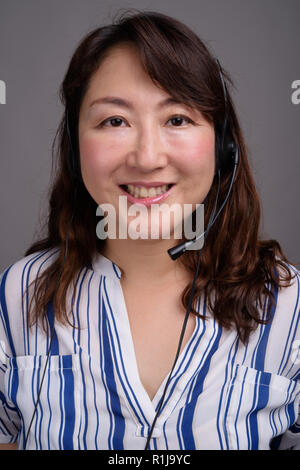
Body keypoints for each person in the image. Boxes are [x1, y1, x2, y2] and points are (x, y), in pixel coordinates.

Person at [0, 10, 299, 451]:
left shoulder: (289, 305)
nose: (146, 157)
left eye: (177, 119)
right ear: (73, 148)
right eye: (114, 121)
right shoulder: (19, 295)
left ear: (223, 147)